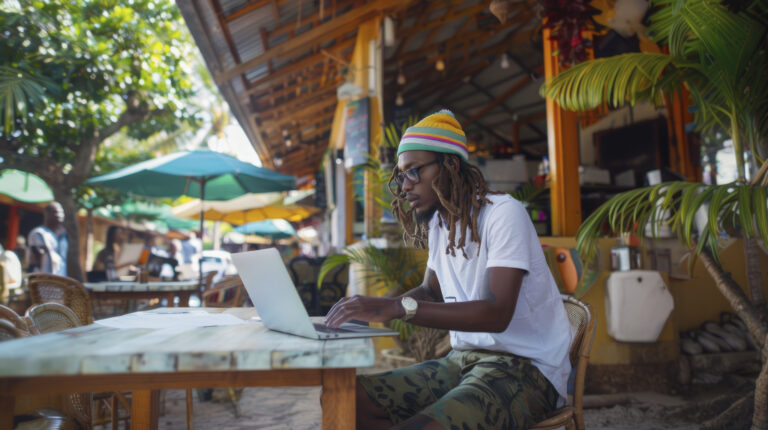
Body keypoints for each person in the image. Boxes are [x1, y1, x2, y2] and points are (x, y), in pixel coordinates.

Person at [324, 110, 572, 429]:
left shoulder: (503, 214)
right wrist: (371, 311)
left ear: (451, 165)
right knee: (347, 398)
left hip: (525, 370)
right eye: (401, 175)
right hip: (463, 360)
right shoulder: (443, 223)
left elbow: (496, 314)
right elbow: (431, 291)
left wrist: (399, 308)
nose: (405, 186)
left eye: (414, 171)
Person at [26, 202, 68, 276]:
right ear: (47, 214)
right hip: (43, 280)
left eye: (62, 212)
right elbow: (35, 259)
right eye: (56, 212)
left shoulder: (63, 235)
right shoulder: (39, 233)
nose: (60, 215)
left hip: (59, 280)